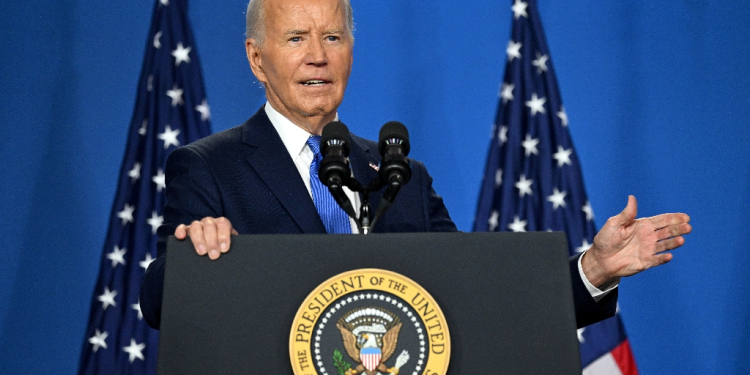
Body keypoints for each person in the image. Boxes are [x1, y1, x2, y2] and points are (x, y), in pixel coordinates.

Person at [140, 0, 691, 330]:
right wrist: (195, 258)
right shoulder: (208, 167)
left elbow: (476, 294)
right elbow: (158, 301)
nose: (318, 55)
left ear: (351, 50)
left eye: (333, 36)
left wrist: (592, 269)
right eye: (295, 38)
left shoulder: (399, 174)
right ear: (256, 58)